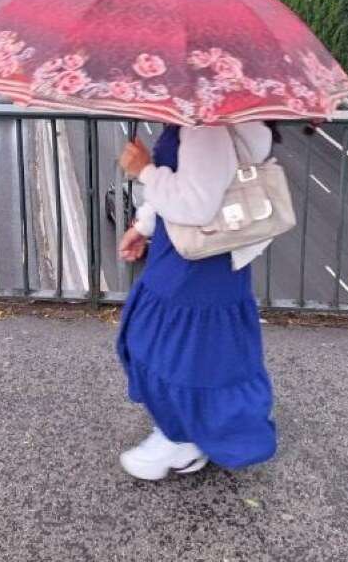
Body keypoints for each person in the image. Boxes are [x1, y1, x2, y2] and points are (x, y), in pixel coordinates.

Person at [114, 121, 278, 481]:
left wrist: (144, 170)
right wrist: (144, 227)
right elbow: (193, 183)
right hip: (203, 255)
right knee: (199, 353)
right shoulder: (209, 121)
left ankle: (181, 439)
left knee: (162, 346)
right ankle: (196, 432)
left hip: (196, 263)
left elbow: (197, 205)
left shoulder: (208, 129)